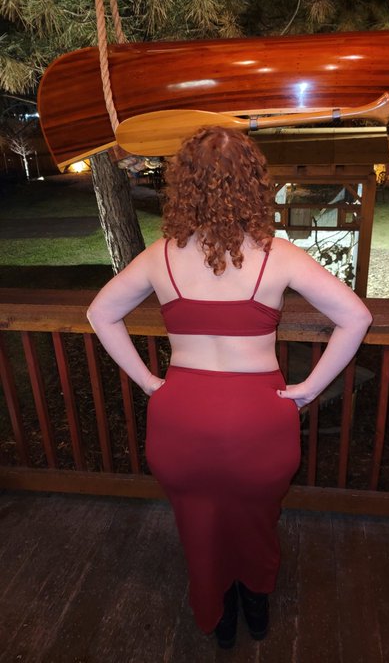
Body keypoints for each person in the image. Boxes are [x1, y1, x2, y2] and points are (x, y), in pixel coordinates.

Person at [87, 126, 372, 648]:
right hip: (257, 420)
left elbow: (100, 313)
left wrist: (150, 382)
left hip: (181, 416)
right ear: (252, 184)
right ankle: (255, 606)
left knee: (199, 527)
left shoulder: (160, 256)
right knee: (256, 521)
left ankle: (217, 615)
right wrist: (309, 388)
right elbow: (356, 317)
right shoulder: (279, 256)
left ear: (183, 184)